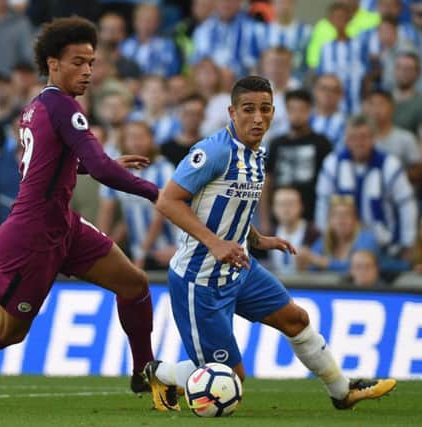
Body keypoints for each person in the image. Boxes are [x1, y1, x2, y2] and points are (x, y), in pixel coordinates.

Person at [0, 17, 168, 407]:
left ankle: (144, 373)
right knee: (7, 333)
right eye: (78, 62)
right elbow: (96, 169)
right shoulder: (63, 107)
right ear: (53, 63)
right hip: (31, 236)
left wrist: (98, 161)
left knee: (134, 284)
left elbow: (47, 163)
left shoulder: (36, 108)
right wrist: (155, 193)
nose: (88, 71)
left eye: (92, 63)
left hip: (64, 225)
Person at [146, 76, 396, 412]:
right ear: (232, 112)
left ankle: (342, 392)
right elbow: (167, 201)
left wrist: (257, 238)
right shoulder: (213, 152)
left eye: (265, 109)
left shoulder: (257, 154)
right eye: (248, 110)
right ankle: (160, 372)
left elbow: (231, 206)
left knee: (296, 319)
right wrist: (216, 243)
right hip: (200, 280)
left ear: (274, 112)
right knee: (231, 378)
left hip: (240, 267)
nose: (258, 117)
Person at [315, 113, 417, 268]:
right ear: (347, 140)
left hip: (385, 245)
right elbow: (323, 203)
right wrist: (327, 238)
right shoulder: (333, 163)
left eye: (364, 137)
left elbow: (406, 205)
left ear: (373, 138)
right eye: (353, 137)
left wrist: (407, 242)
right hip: (343, 245)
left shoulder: (390, 165)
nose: (359, 143)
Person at [97, 121, 177, 270]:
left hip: (166, 250)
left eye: (141, 137)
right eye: (131, 137)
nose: (136, 142)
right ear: (124, 141)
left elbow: (161, 212)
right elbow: (119, 214)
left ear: (151, 139)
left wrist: (142, 254)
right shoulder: (117, 170)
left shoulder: (164, 168)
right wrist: (105, 248)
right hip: (137, 250)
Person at [260, 89, 332, 231]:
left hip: (312, 218)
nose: (297, 114)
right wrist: (264, 219)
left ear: (310, 111)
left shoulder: (322, 143)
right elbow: (265, 181)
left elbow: (328, 183)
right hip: (280, 218)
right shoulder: (276, 143)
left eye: (301, 109)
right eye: (292, 109)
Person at [296, 195, 379, 272]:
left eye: (346, 215)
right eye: (336, 215)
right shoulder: (323, 241)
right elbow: (312, 263)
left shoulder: (367, 240)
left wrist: (322, 262)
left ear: (355, 220)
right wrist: (303, 262)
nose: (341, 220)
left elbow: (358, 268)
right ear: (329, 221)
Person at [268, 187, 320, 274]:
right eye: (281, 204)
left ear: (301, 206)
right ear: (273, 208)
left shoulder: (314, 234)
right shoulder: (267, 235)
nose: (286, 209)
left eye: (290, 204)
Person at [161, 93, 206, 167]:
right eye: (189, 113)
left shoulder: (210, 147)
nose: (193, 118)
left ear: (203, 117)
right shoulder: (165, 149)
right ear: (180, 115)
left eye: (198, 114)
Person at [310, 74, 348, 148]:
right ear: (315, 91)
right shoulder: (304, 119)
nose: (328, 93)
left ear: (341, 95)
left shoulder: (348, 124)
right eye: (324, 88)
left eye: (334, 90)